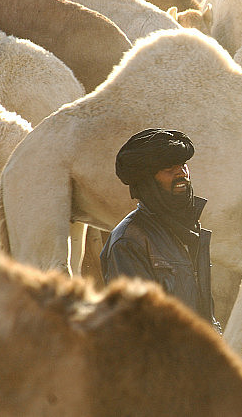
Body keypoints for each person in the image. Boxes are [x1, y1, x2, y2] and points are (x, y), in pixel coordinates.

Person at [100, 128, 220, 331]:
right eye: (168, 168)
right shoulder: (128, 241)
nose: (181, 173)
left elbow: (203, 313)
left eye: (183, 164)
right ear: (147, 179)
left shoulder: (187, 230)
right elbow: (137, 328)